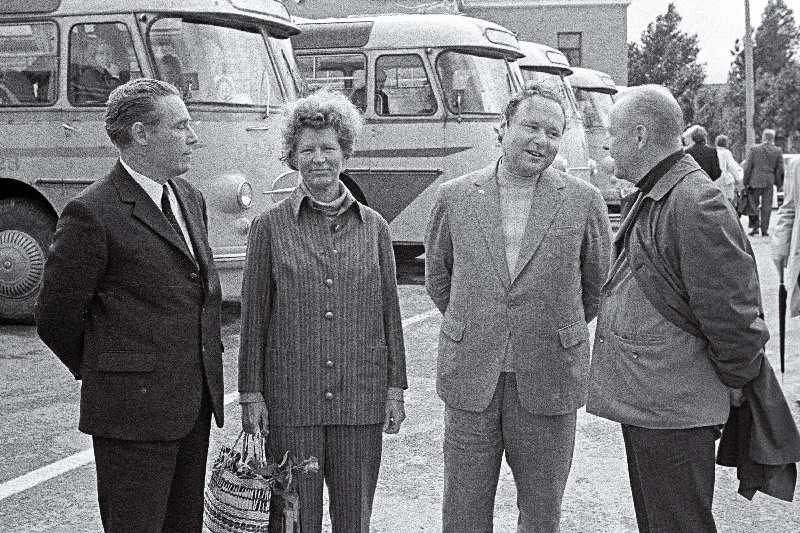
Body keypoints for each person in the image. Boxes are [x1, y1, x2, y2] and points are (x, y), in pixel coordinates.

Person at [35, 78, 224, 533]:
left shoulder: (188, 198)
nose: (193, 137)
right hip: (130, 416)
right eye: (180, 126)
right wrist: (112, 369)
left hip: (191, 407)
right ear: (141, 134)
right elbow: (55, 316)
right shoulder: (93, 212)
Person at [425, 85, 611, 532]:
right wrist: (484, 323)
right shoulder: (454, 197)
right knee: (464, 513)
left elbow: (595, 286)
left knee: (542, 514)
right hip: (472, 376)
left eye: (553, 132)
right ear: (503, 128)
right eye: (531, 126)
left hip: (549, 376)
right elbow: (438, 279)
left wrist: (542, 326)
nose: (541, 140)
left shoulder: (584, 201)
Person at [587, 84, 769, 532]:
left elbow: (735, 315)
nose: (608, 147)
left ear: (641, 135)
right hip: (655, 403)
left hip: (674, 409)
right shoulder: (661, 193)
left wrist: (733, 380)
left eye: (614, 135)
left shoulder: (694, 202)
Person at [238, 89, 407, 533]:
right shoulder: (268, 227)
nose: (318, 159)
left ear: (345, 153)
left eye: (328, 148)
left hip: (360, 403)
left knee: (355, 521)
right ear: (292, 156)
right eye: (306, 149)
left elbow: (391, 313)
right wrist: (251, 394)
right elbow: (253, 318)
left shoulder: (375, 228)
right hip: (291, 405)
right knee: (293, 523)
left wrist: (395, 389)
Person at [744, 128, 784, 236]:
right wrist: (778, 183)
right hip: (769, 181)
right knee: (767, 206)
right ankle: (765, 229)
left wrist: (745, 181)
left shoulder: (754, 149)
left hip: (755, 180)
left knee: (753, 205)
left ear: (763, 137)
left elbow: (748, 166)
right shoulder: (777, 150)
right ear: (772, 138)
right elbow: (779, 169)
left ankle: (754, 227)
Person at [73, 37, 128, 104]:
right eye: (101, 53)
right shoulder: (89, 74)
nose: (105, 57)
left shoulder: (105, 73)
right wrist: (115, 76)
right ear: (93, 56)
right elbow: (110, 97)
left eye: (108, 54)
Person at [715, 134, 743, 204]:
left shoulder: (712, 152)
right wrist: (738, 178)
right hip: (724, 181)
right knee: (727, 201)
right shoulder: (726, 153)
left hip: (714, 180)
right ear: (726, 143)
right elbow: (732, 166)